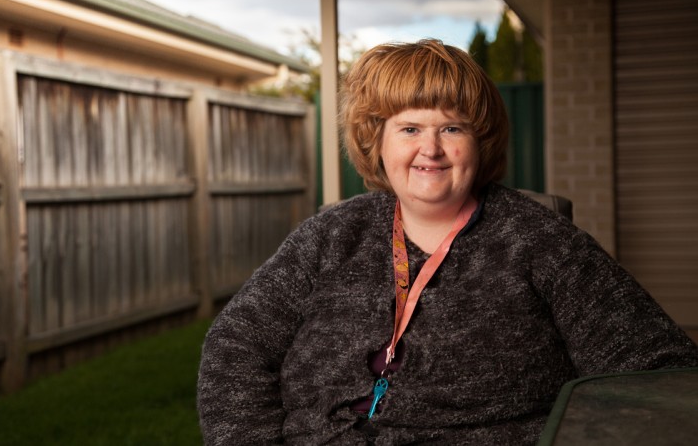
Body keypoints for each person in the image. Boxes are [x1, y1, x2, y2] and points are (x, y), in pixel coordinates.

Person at [197, 39, 698, 445]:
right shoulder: (330, 234)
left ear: (481, 142)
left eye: (451, 128)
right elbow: (236, 346)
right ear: (378, 140)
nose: (429, 149)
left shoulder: (542, 242)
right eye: (409, 127)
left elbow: (659, 373)